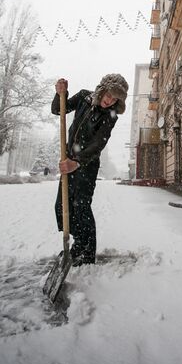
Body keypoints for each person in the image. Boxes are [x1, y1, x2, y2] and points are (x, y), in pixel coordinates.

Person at [52, 74, 128, 266]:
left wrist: (77, 162)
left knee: (81, 207)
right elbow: (58, 109)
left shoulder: (110, 116)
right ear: (103, 90)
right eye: (109, 95)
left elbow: (97, 145)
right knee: (62, 207)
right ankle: (78, 243)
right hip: (68, 161)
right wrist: (60, 93)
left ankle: (87, 253)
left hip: (86, 165)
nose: (109, 101)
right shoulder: (84, 97)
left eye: (114, 99)